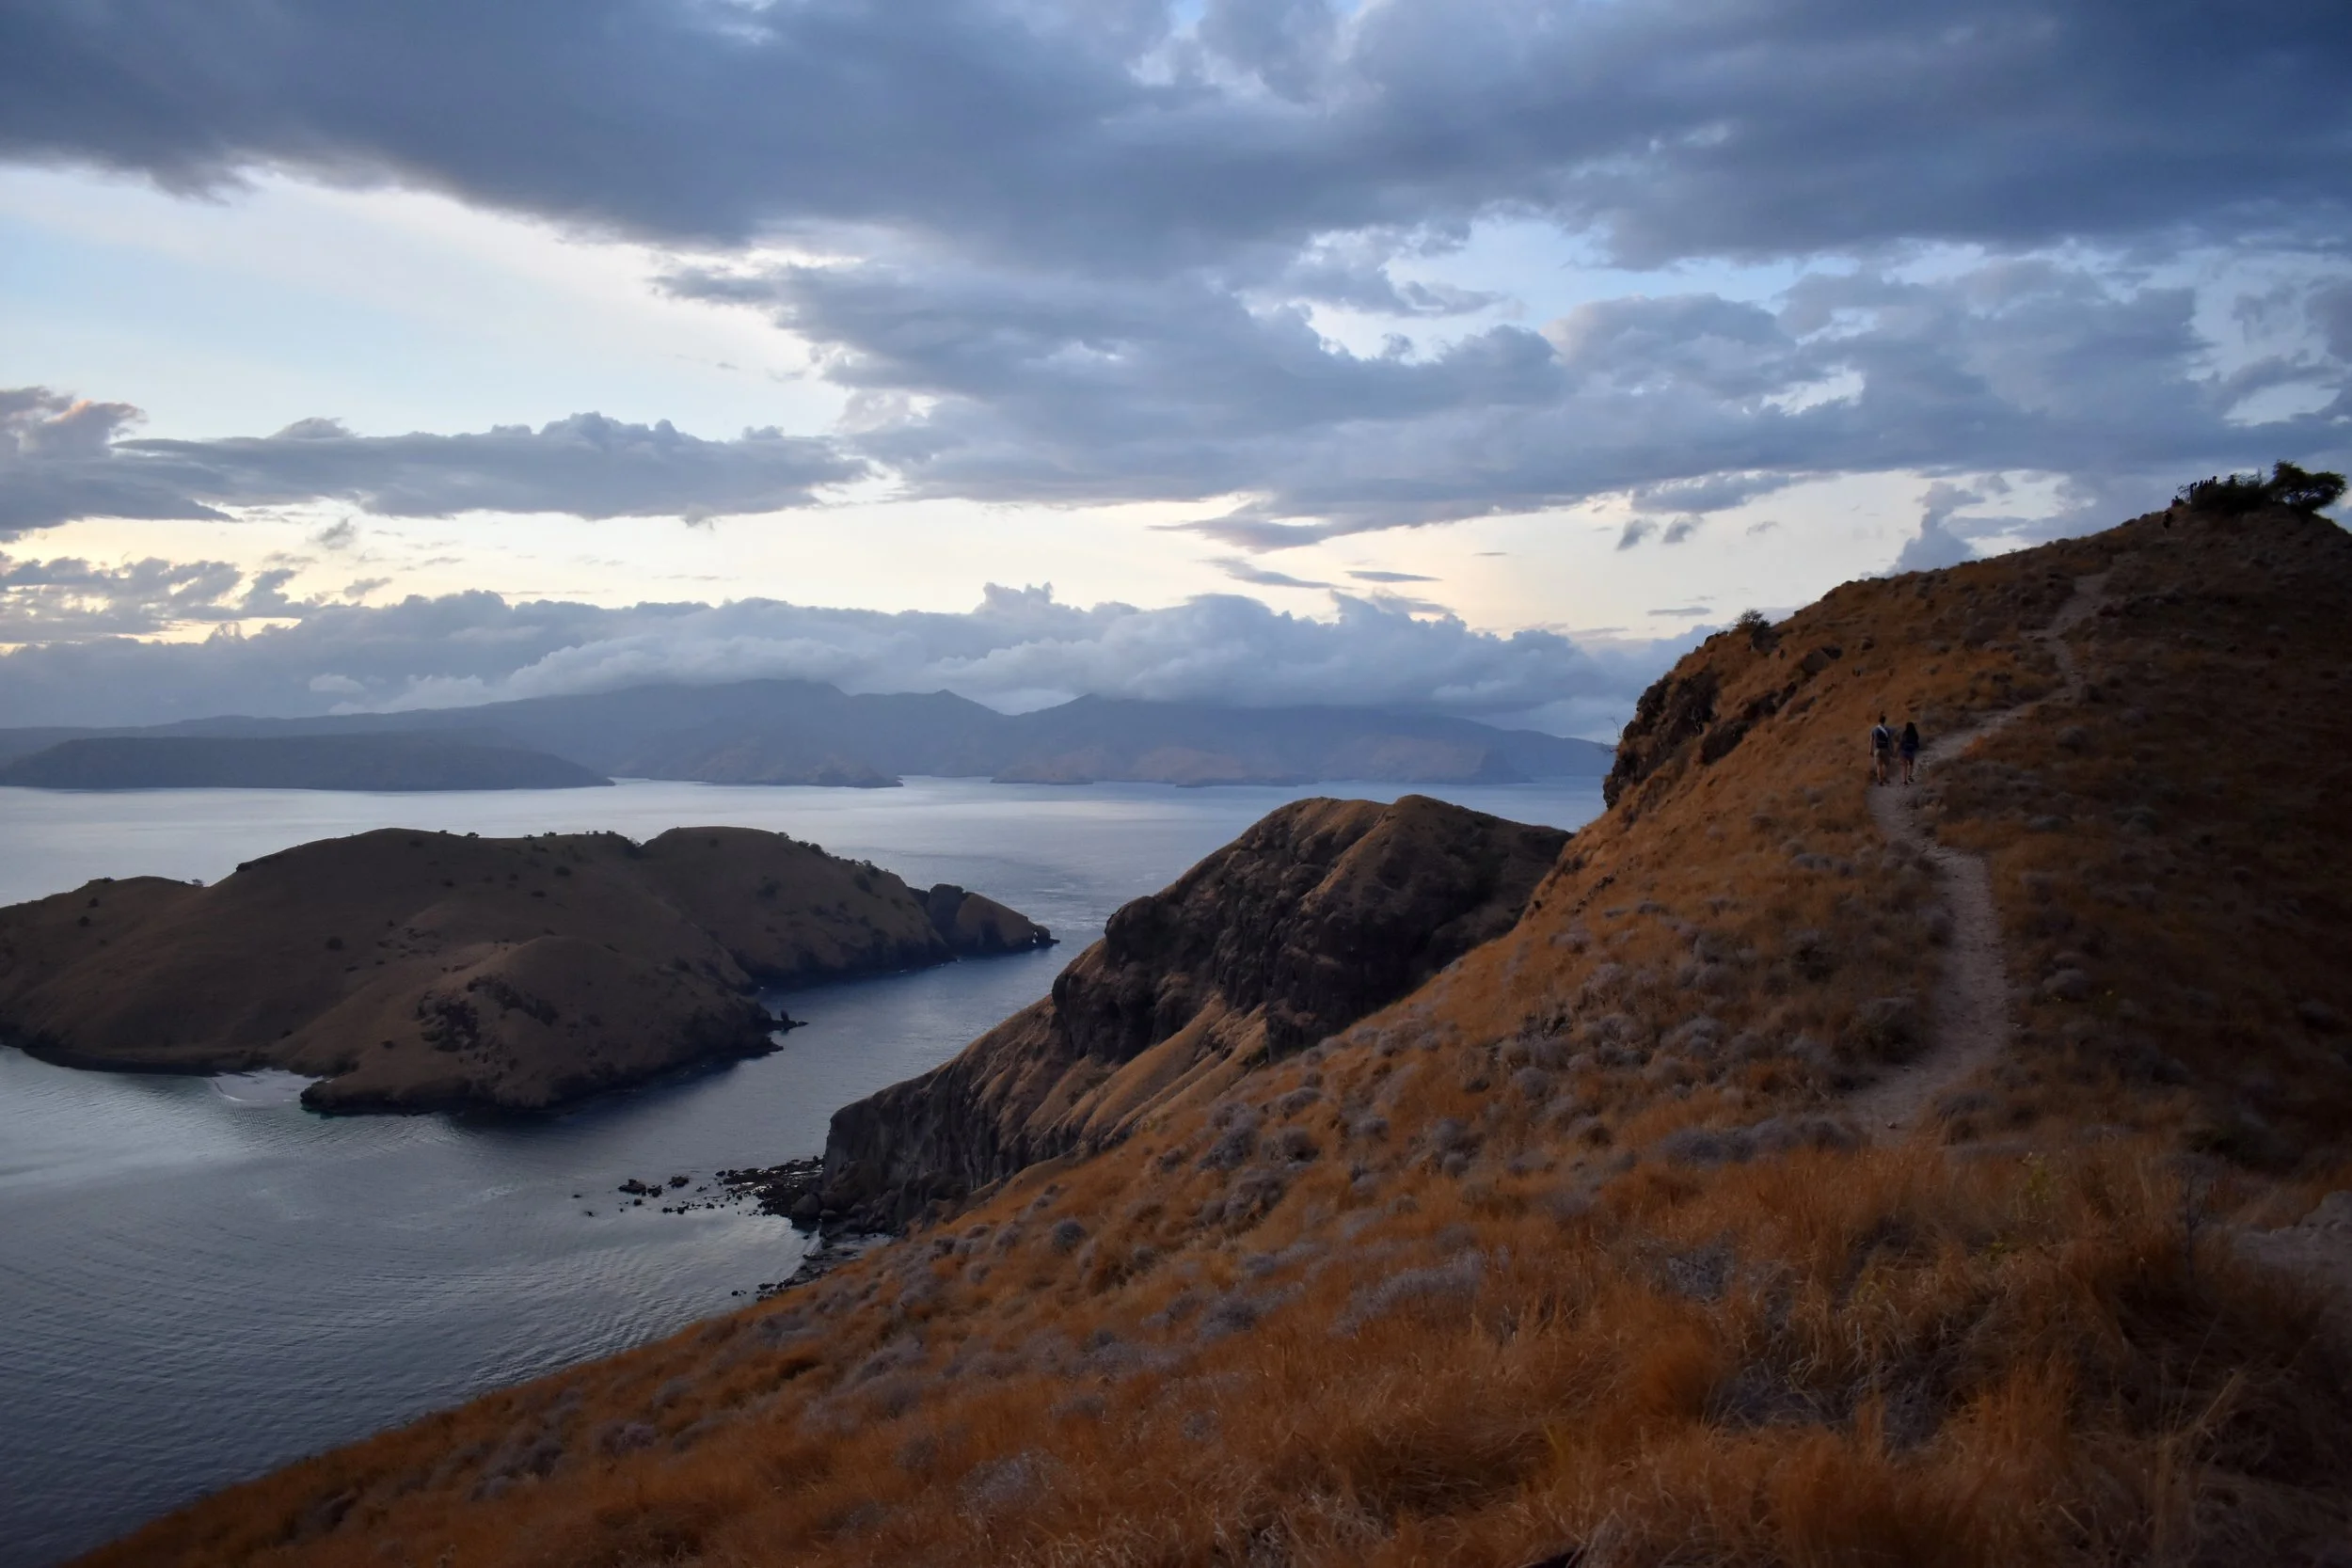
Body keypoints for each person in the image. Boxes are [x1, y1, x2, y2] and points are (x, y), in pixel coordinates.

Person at [1869, 714, 1893, 785]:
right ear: (1884, 721)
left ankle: (1880, 780)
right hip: (1885, 749)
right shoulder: (1887, 729)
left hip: (1877, 749)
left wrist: (1870, 750)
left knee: (1879, 766)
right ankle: (1885, 777)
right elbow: (1889, 740)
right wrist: (1891, 749)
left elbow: (1871, 740)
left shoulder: (1874, 729)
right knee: (1886, 764)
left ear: (1878, 721)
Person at [1899, 720, 1921, 785]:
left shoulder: (1904, 734)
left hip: (1904, 752)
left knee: (1904, 766)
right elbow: (1917, 743)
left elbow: (1901, 742)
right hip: (1911, 752)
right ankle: (1910, 775)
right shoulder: (1915, 734)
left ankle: (1904, 781)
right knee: (1911, 764)